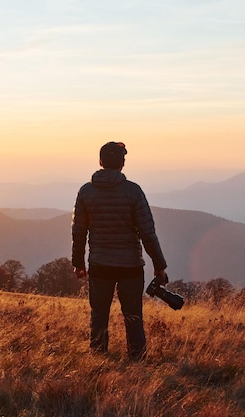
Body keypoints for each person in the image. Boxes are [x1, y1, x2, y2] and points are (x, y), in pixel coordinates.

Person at [71, 141, 168, 361]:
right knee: (133, 316)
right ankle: (137, 362)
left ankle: (98, 360)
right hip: (130, 266)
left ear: (100, 162)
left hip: (100, 264)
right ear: (122, 164)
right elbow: (147, 233)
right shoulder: (133, 191)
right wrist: (159, 265)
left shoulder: (86, 192)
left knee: (99, 315)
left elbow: (79, 231)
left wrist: (78, 262)